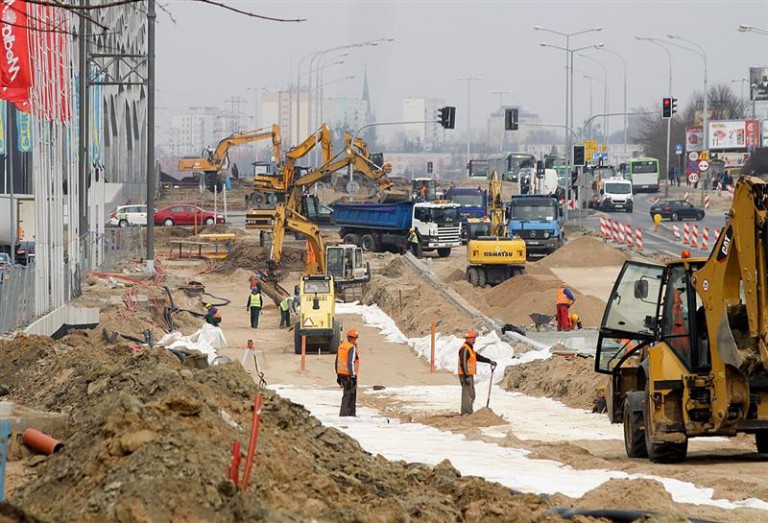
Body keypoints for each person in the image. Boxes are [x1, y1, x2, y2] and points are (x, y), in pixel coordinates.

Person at [458, 329, 496, 415]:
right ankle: (465, 412)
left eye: (474, 338)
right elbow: (463, 363)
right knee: (467, 394)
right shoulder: (464, 349)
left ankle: (469, 411)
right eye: (472, 338)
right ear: (467, 339)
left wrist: (489, 361)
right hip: (465, 375)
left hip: (469, 375)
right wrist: (466, 375)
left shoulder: (470, 349)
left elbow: (478, 357)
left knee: (471, 394)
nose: (474, 340)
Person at [335, 329, 360, 417]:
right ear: (355, 338)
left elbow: (337, 361)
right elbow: (351, 362)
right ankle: (347, 415)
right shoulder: (351, 347)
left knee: (347, 394)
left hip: (341, 373)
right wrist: (353, 376)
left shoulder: (341, 346)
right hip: (349, 374)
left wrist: (338, 375)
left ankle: (346, 414)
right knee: (350, 395)